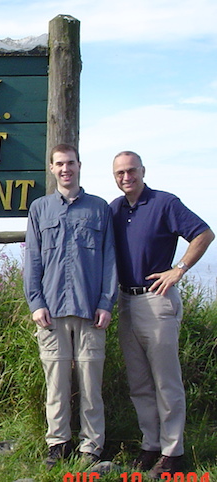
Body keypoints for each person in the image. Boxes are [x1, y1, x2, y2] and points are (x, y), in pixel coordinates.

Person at [110, 151, 214, 478]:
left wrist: (179, 269)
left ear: (143, 171)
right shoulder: (115, 209)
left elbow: (204, 234)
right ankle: (150, 445)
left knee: (165, 382)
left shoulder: (165, 203)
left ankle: (173, 453)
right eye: (120, 173)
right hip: (125, 301)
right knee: (139, 382)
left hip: (157, 301)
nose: (126, 177)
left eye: (131, 171)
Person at [23, 144, 118, 468]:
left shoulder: (99, 208)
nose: (66, 169)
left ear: (79, 166)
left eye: (71, 163)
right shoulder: (40, 209)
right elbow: (32, 259)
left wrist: (106, 302)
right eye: (60, 164)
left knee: (91, 385)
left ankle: (91, 446)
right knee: (56, 385)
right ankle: (58, 444)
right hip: (51, 312)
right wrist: (36, 302)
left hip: (91, 311)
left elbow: (109, 260)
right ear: (52, 168)